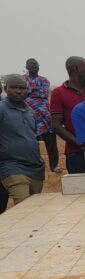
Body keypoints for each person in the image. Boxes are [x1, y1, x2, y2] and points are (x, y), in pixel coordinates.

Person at [0, 76, 45, 205]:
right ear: (5, 89)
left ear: (27, 90)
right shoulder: (1, 109)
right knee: (23, 206)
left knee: (34, 209)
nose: (18, 91)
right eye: (13, 87)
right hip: (12, 167)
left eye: (22, 88)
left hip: (35, 168)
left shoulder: (30, 111)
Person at [50, 56, 85, 174]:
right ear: (75, 68)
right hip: (76, 152)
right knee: (80, 189)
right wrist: (79, 143)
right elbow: (56, 125)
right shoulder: (58, 93)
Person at [24, 59, 58, 173]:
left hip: (44, 113)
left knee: (51, 139)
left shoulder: (44, 80)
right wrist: (32, 92)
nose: (34, 66)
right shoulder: (22, 79)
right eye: (31, 64)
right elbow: (23, 93)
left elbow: (43, 94)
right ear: (26, 67)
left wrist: (29, 92)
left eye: (36, 64)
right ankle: (35, 165)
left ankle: (54, 165)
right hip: (27, 113)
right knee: (31, 141)